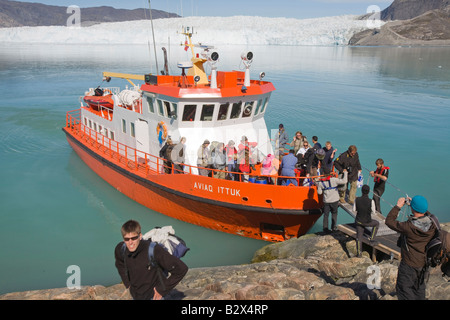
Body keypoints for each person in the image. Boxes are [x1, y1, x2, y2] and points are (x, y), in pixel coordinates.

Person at [114, 220, 188, 300]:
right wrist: (127, 283)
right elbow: (119, 263)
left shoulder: (154, 250)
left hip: (154, 297)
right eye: (127, 239)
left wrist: (162, 290)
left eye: (134, 238)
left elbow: (181, 269)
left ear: (140, 236)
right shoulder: (121, 249)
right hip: (136, 296)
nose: (130, 242)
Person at [385, 195, 437, 300]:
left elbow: (389, 221)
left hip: (409, 265)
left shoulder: (409, 227)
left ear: (413, 208)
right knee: (419, 290)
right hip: (423, 263)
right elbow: (426, 212)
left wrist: (398, 206)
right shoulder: (433, 224)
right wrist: (416, 204)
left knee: (404, 290)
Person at [353, 185, 379, 257]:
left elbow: (353, 210)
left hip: (358, 221)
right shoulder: (371, 201)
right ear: (368, 192)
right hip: (367, 221)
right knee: (376, 224)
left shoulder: (357, 199)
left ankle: (359, 254)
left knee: (359, 237)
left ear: (361, 191)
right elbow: (374, 212)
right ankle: (372, 239)